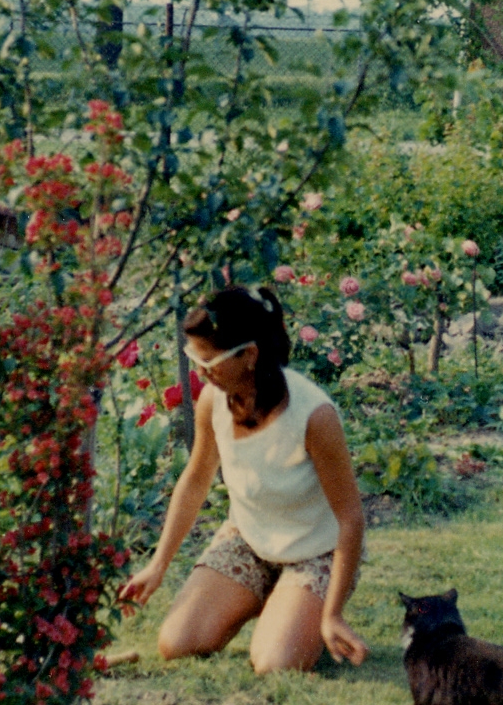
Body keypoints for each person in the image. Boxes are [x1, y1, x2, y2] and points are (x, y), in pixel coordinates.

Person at [117, 284, 370, 673]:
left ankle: (296, 605)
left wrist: (332, 613)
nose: (200, 373)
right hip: (251, 542)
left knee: (274, 662)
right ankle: (272, 600)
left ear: (249, 355)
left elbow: (351, 518)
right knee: (177, 642)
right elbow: (196, 481)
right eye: (193, 360)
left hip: (315, 552)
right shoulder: (212, 400)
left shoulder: (314, 415)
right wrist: (158, 564)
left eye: (209, 363)